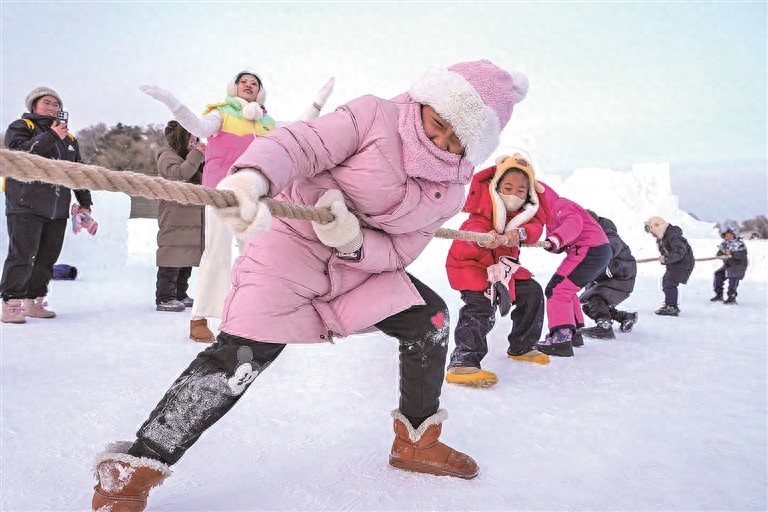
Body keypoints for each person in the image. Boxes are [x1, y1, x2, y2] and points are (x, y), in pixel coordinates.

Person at [91, 59, 528, 510]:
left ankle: (416, 441)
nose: (440, 141)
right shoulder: (374, 115)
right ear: (425, 99)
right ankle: (135, 467)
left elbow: (401, 253)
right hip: (291, 246)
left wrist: (354, 243)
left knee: (430, 319)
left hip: (359, 268)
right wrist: (252, 177)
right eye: (438, 123)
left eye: (457, 139)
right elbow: (300, 144)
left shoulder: (451, 190)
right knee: (241, 355)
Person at [140, 70, 335, 341]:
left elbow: (299, 129)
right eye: (244, 82)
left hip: (254, 196)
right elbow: (196, 126)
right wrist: (170, 100)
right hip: (220, 193)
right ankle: (201, 317)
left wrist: (318, 102)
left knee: (257, 257)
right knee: (216, 253)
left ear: (260, 93)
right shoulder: (222, 114)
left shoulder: (267, 124)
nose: (249, 86)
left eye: (254, 84)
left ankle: (252, 316)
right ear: (233, 88)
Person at [444, 152, 550, 387]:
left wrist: (519, 235)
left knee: (532, 292)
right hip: (472, 267)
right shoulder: (483, 210)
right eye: (508, 187)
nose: (513, 194)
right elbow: (472, 229)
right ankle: (463, 362)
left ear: (529, 195)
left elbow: (534, 229)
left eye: (521, 191)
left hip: (504, 271)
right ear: (495, 186)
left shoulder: (522, 219)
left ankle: (522, 345)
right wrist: (483, 238)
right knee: (481, 306)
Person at [1, 87, 93, 324]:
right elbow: (21, 155)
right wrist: (52, 136)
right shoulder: (21, 127)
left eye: (56, 105)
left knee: (46, 258)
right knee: (22, 255)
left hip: (57, 209)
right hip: (25, 205)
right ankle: (11, 302)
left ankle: (34, 300)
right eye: (47, 103)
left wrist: (85, 203)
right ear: (34, 106)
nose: (53, 108)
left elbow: (78, 173)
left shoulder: (70, 139)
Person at [533, 178, 612, 357]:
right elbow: (558, 240)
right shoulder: (550, 214)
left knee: (556, 290)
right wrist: (554, 243)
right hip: (596, 249)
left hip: (589, 249)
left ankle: (561, 339)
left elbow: (572, 224)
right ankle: (573, 332)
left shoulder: (559, 205)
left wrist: (557, 239)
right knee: (566, 290)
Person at [154, 121, 206, 313]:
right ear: (180, 138)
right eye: (190, 139)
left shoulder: (188, 156)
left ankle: (180, 293)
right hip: (174, 214)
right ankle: (165, 296)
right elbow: (179, 175)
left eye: (196, 140)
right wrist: (197, 154)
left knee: (186, 255)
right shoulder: (167, 156)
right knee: (172, 254)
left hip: (191, 214)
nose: (193, 143)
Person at [578, 210, 639, 339]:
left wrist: (602, 254)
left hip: (622, 277)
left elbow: (611, 246)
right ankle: (624, 317)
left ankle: (604, 328)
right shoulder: (592, 236)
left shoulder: (608, 235)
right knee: (589, 306)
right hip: (608, 277)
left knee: (596, 298)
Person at [644, 216, 694, 316]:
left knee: (670, 283)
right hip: (675, 263)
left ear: (658, 227)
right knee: (667, 281)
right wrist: (666, 258)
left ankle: (672, 307)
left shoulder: (673, 236)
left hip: (682, 263)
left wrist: (666, 258)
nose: (652, 235)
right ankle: (669, 304)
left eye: (653, 232)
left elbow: (679, 251)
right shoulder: (663, 237)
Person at [711, 227, 748, 305]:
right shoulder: (724, 244)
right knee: (718, 274)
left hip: (738, 266)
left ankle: (732, 296)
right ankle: (719, 294)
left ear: (734, 235)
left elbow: (742, 256)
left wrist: (732, 254)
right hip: (728, 265)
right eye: (726, 235)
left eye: (729, 235)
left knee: (733, 277)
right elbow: (719, 253)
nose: (727, 237)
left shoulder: (740, 244)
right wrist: (721, 255)